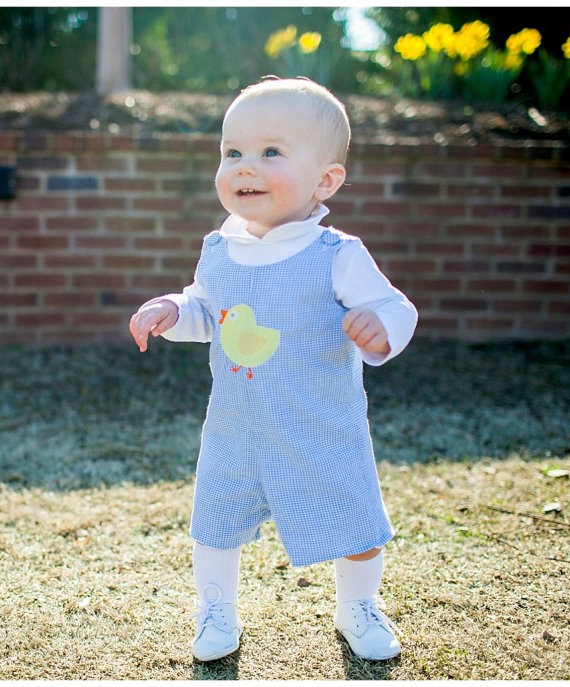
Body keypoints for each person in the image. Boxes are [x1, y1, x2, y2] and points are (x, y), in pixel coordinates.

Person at [128, 77, 418, 663]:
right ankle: (216, 609)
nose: (244, 167)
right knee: (215, 520)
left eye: (270, 152)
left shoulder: (336, 253)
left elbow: (396, 307)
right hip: (237, 423)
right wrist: (172, 310)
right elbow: (208, 311)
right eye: (232, 152)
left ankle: (357, 606)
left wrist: (380, 326)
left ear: (326, 180)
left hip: (320, 423)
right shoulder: (219, 247)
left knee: (355, 518)